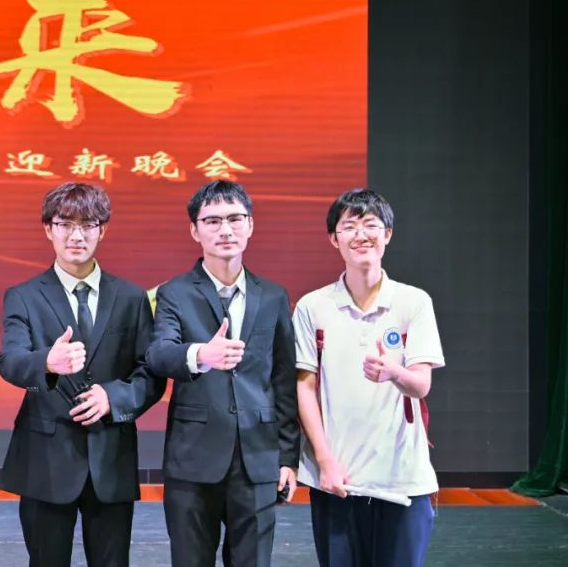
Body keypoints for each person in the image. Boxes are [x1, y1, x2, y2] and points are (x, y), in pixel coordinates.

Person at [0, 182, 166, 567]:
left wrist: (114, 397)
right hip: (45, 459)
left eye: (88, 225)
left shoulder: (131, 297)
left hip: (111, 458)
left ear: (102, 230)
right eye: (65, 224)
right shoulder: (23, 296)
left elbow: (150, 373)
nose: (76, 235)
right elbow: (10, 360)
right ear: (48, 229)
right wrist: (47, 362)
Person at [145, 180, 299, 567]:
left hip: (258, 456)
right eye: (212, 221)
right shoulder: (174, 293)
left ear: (251, 225)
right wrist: (201, 354)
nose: (225, 229)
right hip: (193, 458)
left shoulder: (274, 296)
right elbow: (159, 354)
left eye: (235, 218)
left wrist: (287, 458)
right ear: (194, 230)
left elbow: (283, 380)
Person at [294, 188, 445, 567]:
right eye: (349, 227)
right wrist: (324, 461)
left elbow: (421, 384)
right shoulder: (313, 306)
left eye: (371, 225)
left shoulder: (414, 302)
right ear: (334, 239)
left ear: (387, 234)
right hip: (337, 479)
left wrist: (393, 372)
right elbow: (304, 388)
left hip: (402, 478)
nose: (361, 235)